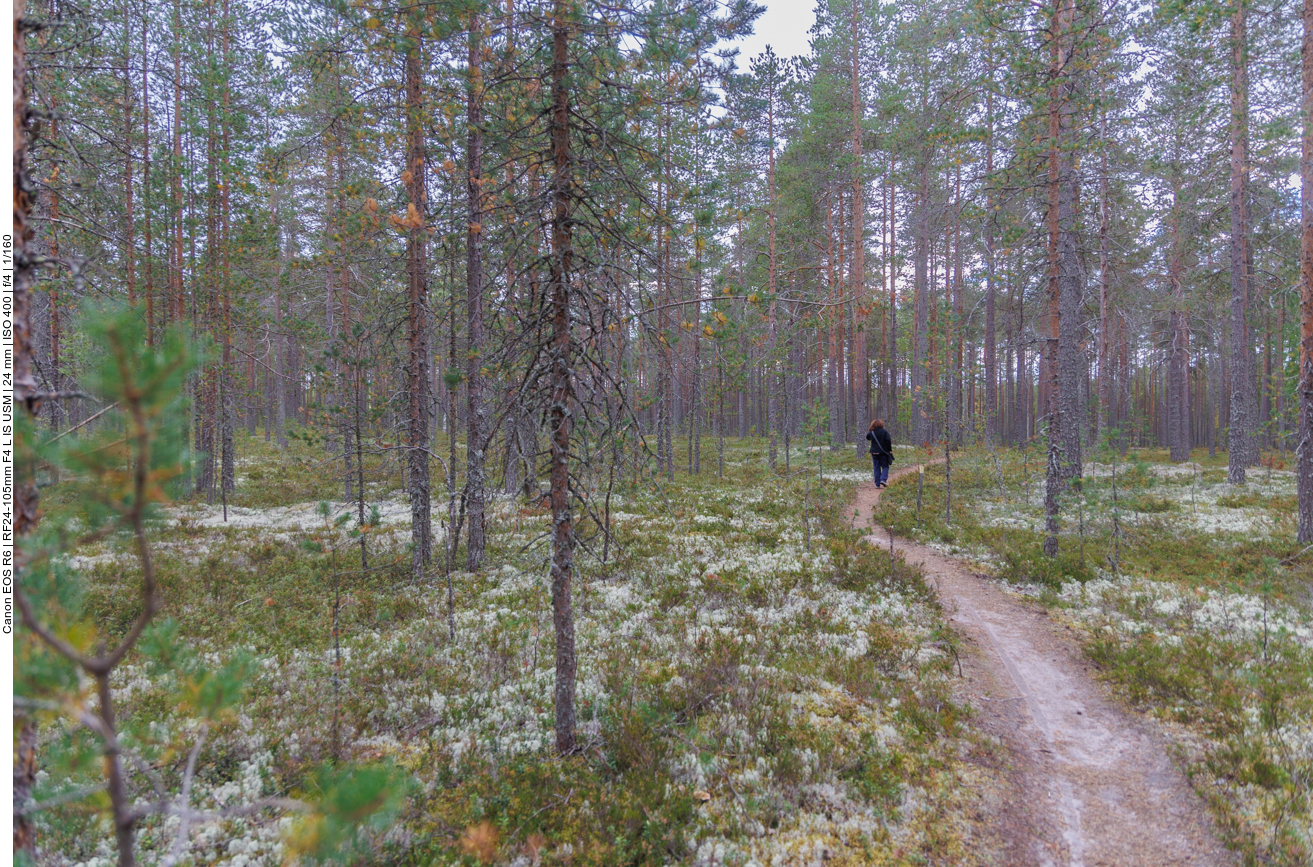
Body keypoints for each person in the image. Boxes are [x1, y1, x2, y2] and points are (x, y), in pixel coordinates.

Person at [865, 419, 894, 488]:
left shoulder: (872, 433)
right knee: (885, 466)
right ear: (881, 424)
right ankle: (883, 479)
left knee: (876, 467)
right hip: (883, 452)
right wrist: (889, 450)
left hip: (874, 452)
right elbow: (888, 440)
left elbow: (867, 437)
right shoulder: (884, 432)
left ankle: (877, 484)